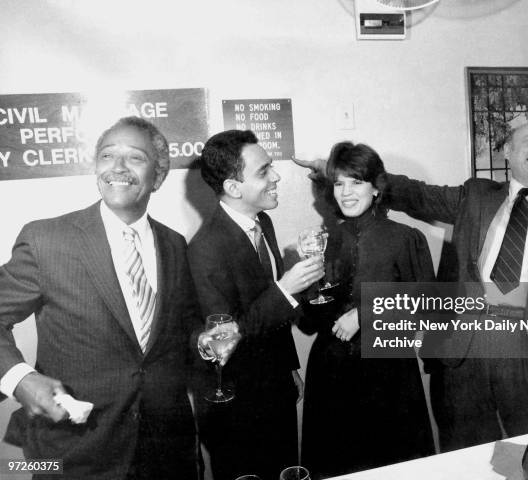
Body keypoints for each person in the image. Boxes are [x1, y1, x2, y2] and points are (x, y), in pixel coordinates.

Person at [294, 121, 528, 451]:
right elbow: (412, 193)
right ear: (507, 151)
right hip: (465, 352)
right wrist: (335, 169)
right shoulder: (475, 195)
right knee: (465, 458)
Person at [0, 116, 201, 479]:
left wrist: (202, 339)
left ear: (157, 176)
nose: (118, 168)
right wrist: (19, 378)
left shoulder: (174, 244)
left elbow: (178, 331)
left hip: (167, 453)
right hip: (75, 456)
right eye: (108, 156)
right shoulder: (46, 240)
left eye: (135, 158)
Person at [188, 129, 324, 480]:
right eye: (264, 171)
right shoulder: (205, 249)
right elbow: (222, 340)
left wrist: (288, 367)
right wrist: (287, 289)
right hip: (237, 406)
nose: (276, 176)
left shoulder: (263, 222)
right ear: (234, 188)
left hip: (274, 388)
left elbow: (269, 311)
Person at [299, 142, 435, 479]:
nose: (346, 192)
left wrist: (367, 313)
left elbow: (431, 305)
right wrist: (309, 274)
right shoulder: (323, 240)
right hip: (331, 376)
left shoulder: (405, 239)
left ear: (376, 188)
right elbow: (308, 322)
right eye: (339, 183)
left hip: (388, 377)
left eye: (356, 182)